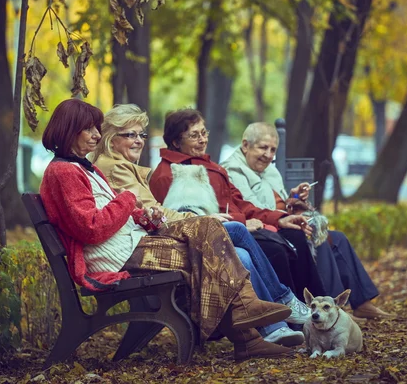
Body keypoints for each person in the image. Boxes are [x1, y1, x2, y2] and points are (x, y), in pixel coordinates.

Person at [39, 99, 296, 362]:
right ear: (70, 130)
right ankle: (247, 320)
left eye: (97, 128)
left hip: (131, 244)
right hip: (118, 255)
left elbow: (112, 214)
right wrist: (128, 199)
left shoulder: (82, 168)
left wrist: (144, 216)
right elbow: (91, 227)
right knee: (214, 249)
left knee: (209, 230)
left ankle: (247, 327)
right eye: (89, 129)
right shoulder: (64, 172)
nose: (96, 134)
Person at [149, 109, 327, 303]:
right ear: (176, 142)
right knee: (276, 250)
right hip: (216, 239)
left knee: (296, 236)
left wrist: (280, 218)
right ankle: (287, 317)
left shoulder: (210, 167)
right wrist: (244, 222)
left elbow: (241, 204)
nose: (202, 140)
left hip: (239, 228)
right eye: (194, 135)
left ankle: (319, 306)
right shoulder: (168, 174)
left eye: (203, 133)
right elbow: (183, 220)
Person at [220, 122, 394, 319]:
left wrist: (293, 199)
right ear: (245, 145)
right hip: (270, 229)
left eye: (272, 150)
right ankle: (331, 308)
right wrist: (286, 213)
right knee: (321, 241)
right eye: (262, 147)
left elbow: (278, 203)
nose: (268, 155)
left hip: (284, 221)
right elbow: (253, 209)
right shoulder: (233, 172)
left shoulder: (268, 170)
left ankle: (362, 302)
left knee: (339, 239)